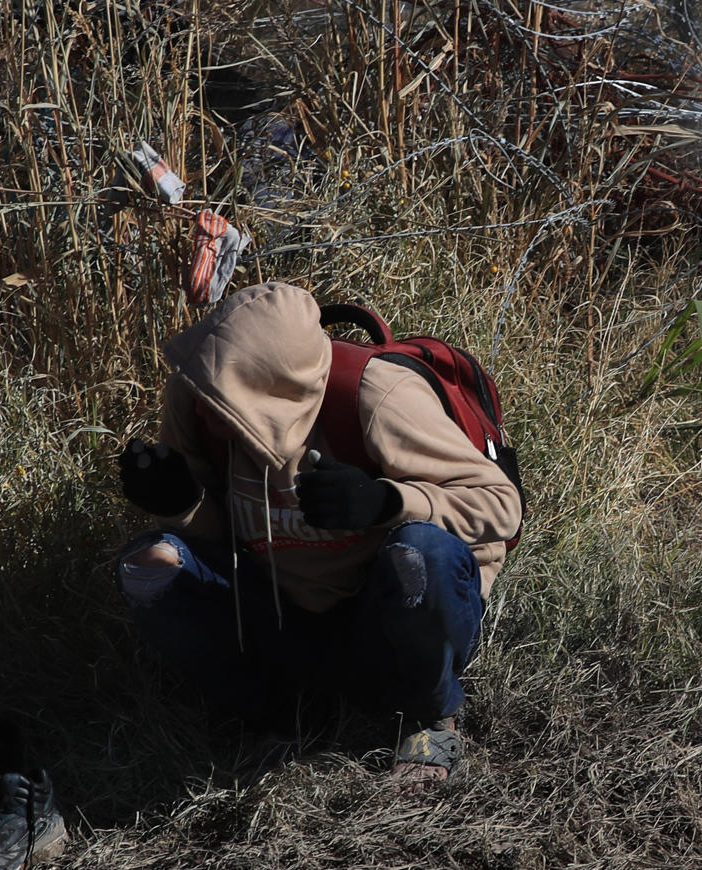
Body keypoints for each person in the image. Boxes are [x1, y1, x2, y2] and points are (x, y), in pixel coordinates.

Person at [114, 281, 521, 784]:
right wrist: (182, 507)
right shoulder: (196, 396)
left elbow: (502, 508)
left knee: (420, 552)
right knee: (149, 567)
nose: (206, 411)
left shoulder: (376, 394)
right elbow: (220, 546)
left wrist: (386, 501)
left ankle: (428, 715)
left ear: (270, 387)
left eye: (225, 400)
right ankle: (283, 716)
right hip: (288, 614)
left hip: (389, 613)